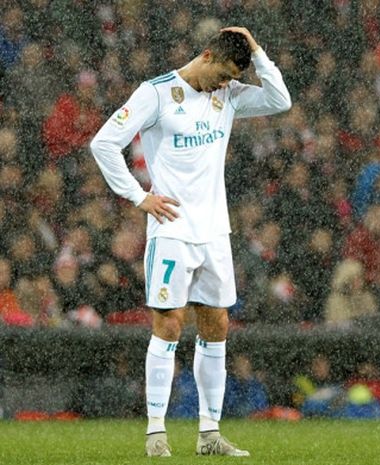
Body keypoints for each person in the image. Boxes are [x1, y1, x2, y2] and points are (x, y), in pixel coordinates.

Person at [90, 26, 291, 457]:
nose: (225, 85)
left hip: (215, 231)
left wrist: (256, 48)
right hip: (172, 231)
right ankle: (156, 432)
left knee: (217, 327)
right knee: (168, 325)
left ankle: (209, 433)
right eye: (221, 75)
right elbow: (104, 142)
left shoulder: (229, 95)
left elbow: (280, 100)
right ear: (205, 55)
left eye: (231, 79)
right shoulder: (156, 93)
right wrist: (139, 196)